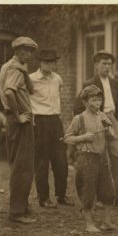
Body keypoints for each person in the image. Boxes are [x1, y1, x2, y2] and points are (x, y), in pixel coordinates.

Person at [74, 50, 118, 208]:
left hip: (112, 120)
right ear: (96, 65)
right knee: (97, 159)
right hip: (96, 120)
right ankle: (97, 198)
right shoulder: (89, 84)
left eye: (109, 64)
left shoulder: (115, 83)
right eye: (104, 64)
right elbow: (78, 106)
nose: (107, 67)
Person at [64, 85, 116, 233]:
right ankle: (89, 224)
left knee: (108, 190)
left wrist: (108, 128)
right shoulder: (79, 119)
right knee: (88, 191)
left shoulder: (102, 116)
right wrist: (83, 137)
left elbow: (112, 137)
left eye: (99, 99)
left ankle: (106, 222)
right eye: (93, 99)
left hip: (102, 157)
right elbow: (67, 138)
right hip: (86, 159)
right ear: (85, 102)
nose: (97, 102)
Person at [0, 36, 38, 224]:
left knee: (21, 164)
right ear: (16, 50)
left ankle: (21, 206)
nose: (29, 54)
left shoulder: (16, 67)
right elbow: (8, 92)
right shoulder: (15, 68)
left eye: (31, 51)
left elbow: (31, 90)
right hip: (20, 121)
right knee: (22, 167)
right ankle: (16, 212)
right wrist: (18, 116)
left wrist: (25, 72)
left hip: (17, 121)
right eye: (25, 51)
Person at [29, 49, 74, 208]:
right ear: (40, 62)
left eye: (52, 62)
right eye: (46, 62)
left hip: (56, 121)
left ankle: (61, 195)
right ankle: (44, 198)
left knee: (61, 160)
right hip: (40, 121)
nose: (50, 65)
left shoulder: (58, 79)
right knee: (42, 161)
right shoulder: (31, 79)